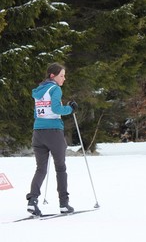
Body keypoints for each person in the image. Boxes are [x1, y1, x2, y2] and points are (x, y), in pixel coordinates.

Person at [26, 62, 78, 216]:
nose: (64, 78)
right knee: (60, 167)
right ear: (52, 76)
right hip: (53, 132)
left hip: (38, 132)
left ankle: (32, 201)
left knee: (41, 169)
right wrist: (70, 109)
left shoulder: (39, 91)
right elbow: (56, 109)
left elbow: (38, 112)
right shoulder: (55, 89)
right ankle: (64, 204)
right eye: (61, 75)